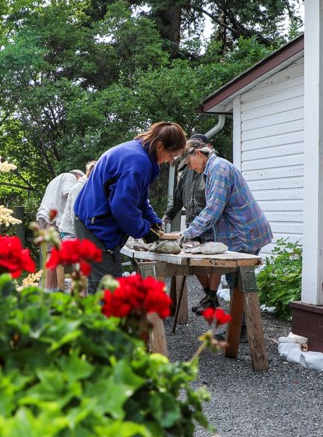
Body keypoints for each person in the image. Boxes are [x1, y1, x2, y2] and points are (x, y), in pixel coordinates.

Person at [73, 121, 188, 294]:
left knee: (98, 290)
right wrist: (144, 230)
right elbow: (122, 208)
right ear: (160, 146)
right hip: (96, 227)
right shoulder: (137, 163)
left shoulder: (140, 154)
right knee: (111, 292)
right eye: (171, 155)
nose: (170, 161)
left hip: (89, 221)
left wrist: (153, 222)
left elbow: (140, 200)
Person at [178, 138, 273, 338]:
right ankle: (241, 330)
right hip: (240, 231)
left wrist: (187, 234)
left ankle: (243, 331)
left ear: (197, 154)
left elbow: (213, 209)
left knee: (238, 279)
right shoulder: (212, 169)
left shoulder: (218, 169)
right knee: (236, 280)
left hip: (244, 232)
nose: (190, 168)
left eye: (188, 163)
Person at [163, 133, 222, 315]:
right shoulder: (187, 171)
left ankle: (212, 298)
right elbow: (178, 197)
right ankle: (209, 297)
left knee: (215, 263)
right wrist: (167, 216)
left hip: (210, 224)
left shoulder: (213, 169)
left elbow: (215, 204)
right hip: (192, 224)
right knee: (195, 264)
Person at [36, 168, 85, 291]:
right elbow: (69, 194)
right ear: (78, 176)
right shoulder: (70, 177)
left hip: (43, 217)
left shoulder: (56, 180)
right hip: (53, 219)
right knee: (53, 254)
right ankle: (51, 291)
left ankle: (53, 289)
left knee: (52, 254)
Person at [58, 160, 96, 242]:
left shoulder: (89, 187)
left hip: (78, 232)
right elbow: (74, 214)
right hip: (71, 233)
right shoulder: (79, 187)